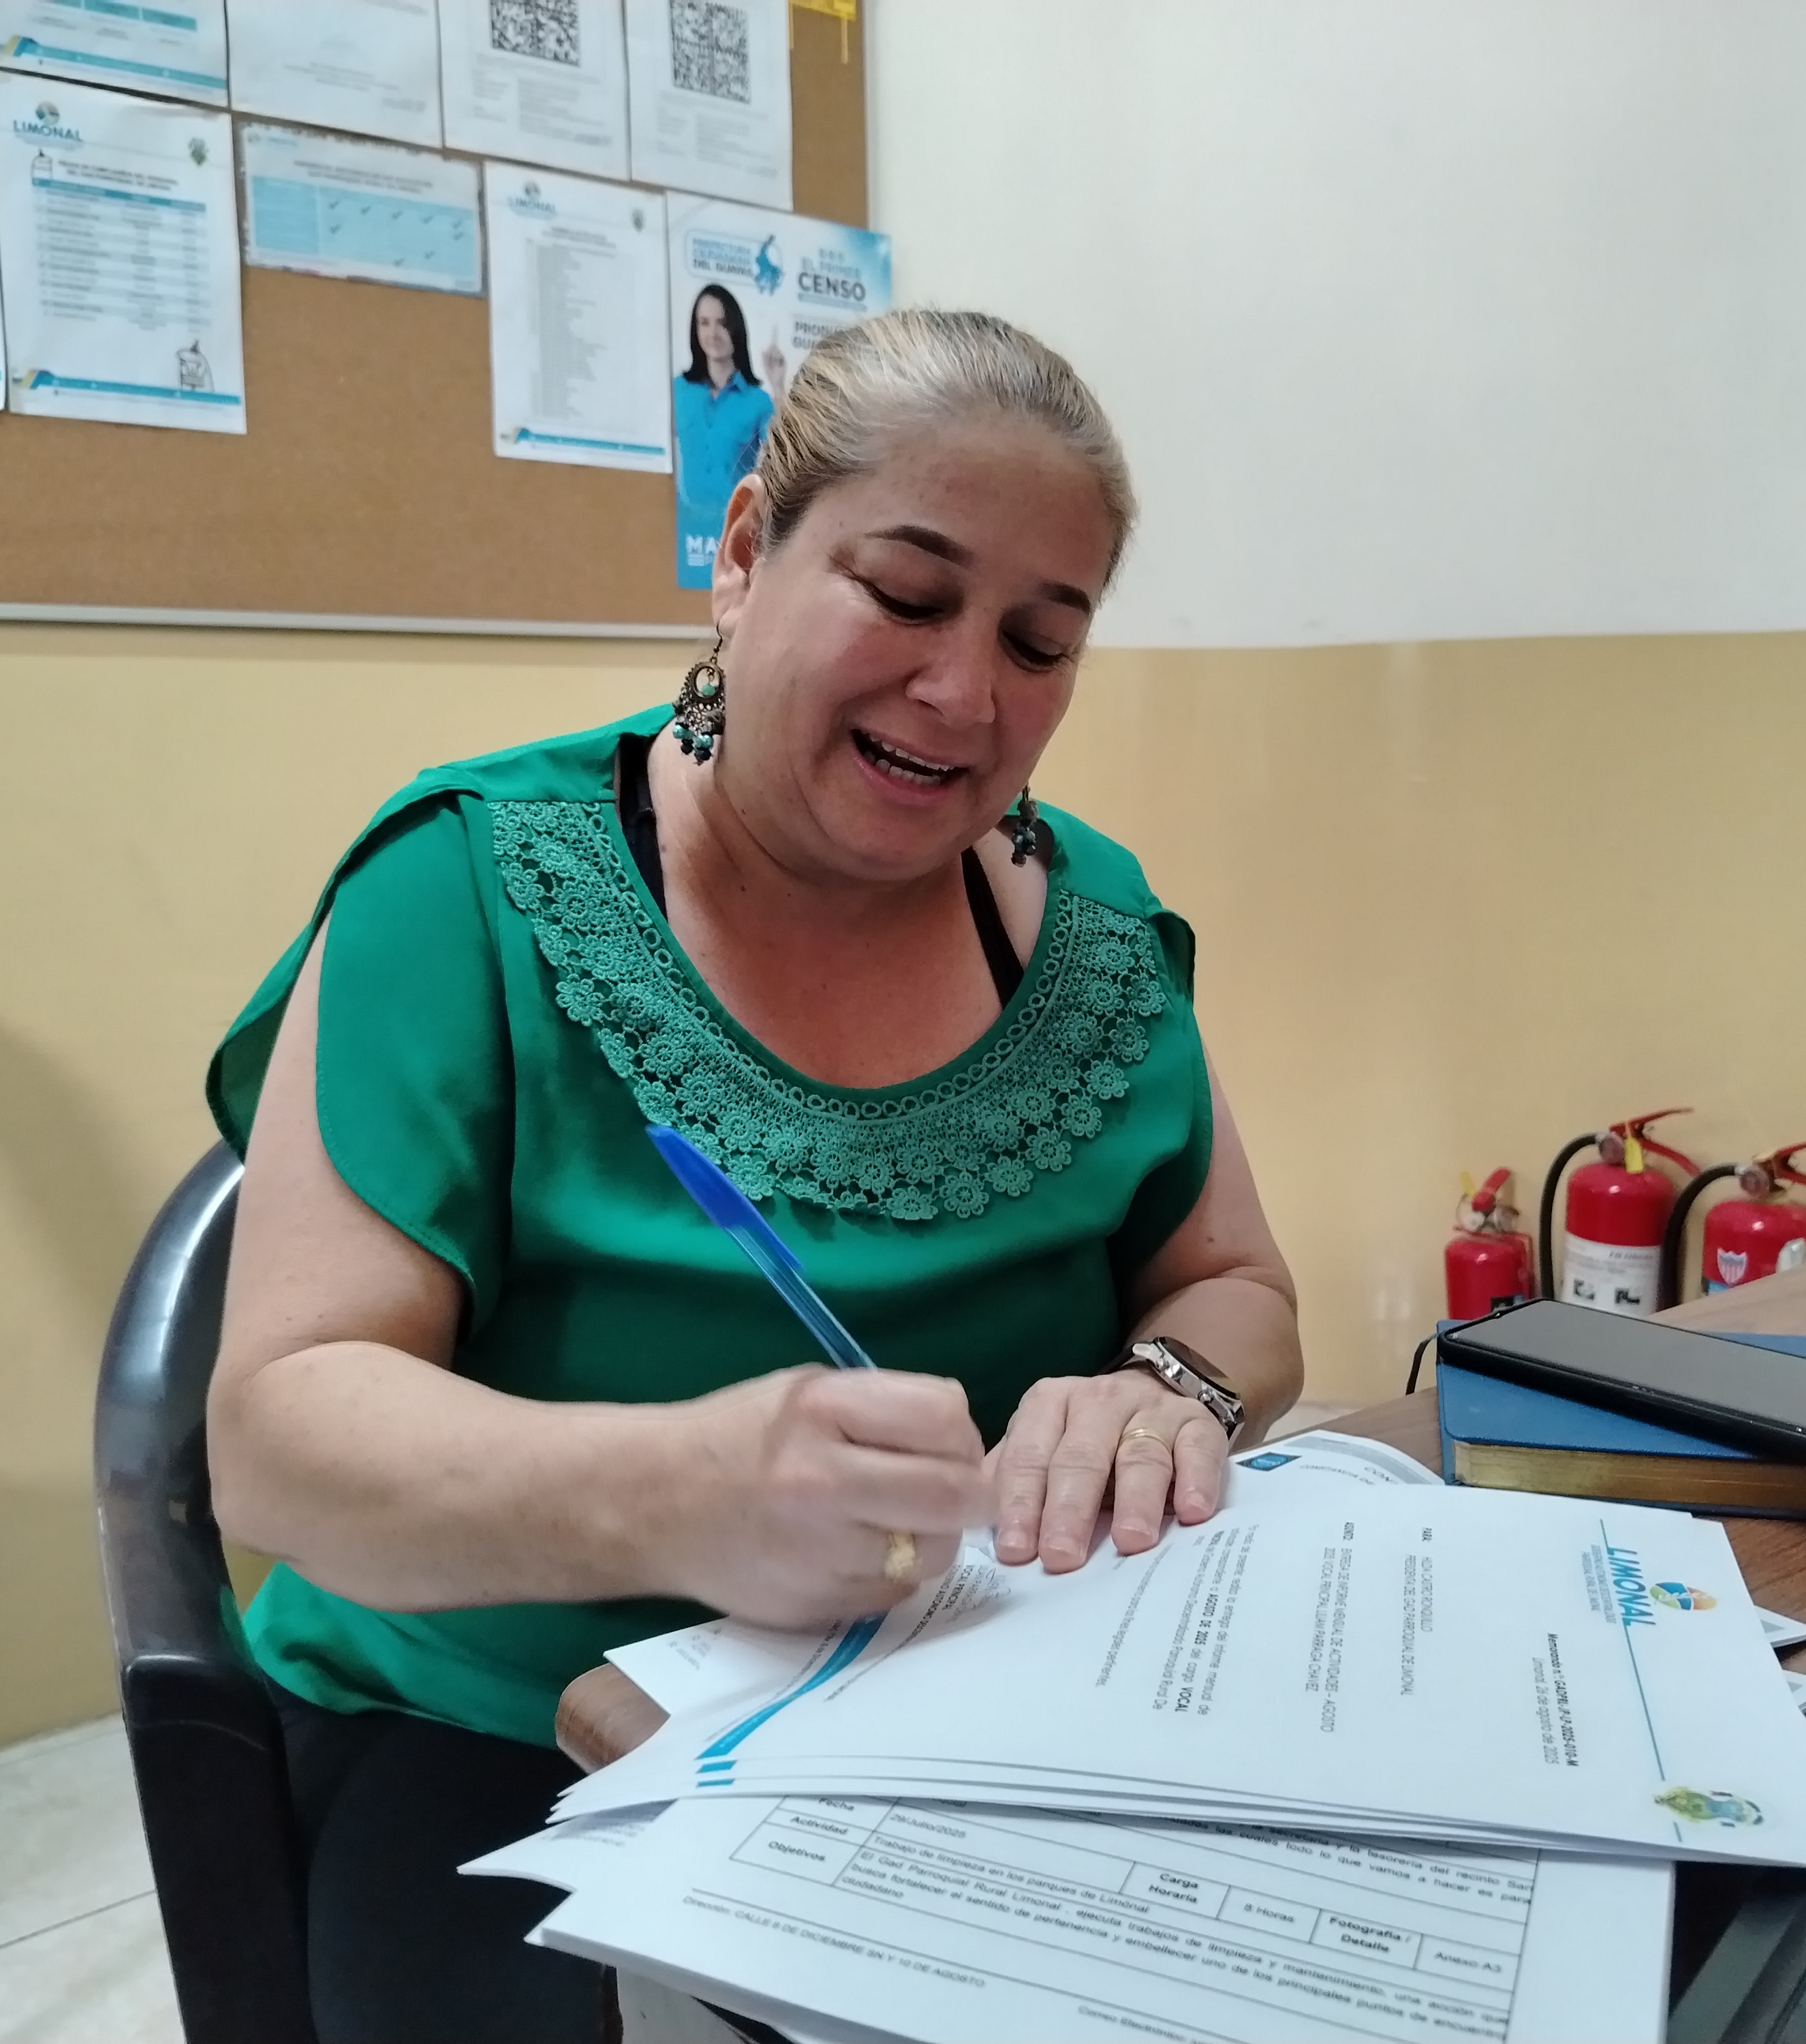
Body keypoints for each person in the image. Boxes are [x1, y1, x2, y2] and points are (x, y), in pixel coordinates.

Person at [203, 307, 1304, 2043]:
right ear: (742, 554)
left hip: (979, 1722)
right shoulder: (467, 885)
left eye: (1039, 639)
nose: (967, 694)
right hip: (498, 1750)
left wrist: (1164, 1387)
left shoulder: (1091, 921)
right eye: (908, 594)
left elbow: (1232, 1283)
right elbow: (278, 1436)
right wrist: (672, 1490)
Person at [671, 283, 778, 586]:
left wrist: (778, 384)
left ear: (736, 330)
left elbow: (782, 456)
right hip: (684, 533)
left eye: (722, 323)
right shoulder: (678, 390)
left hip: (735, 536)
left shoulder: (759, 401)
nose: (713, 333)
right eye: (704, 323)